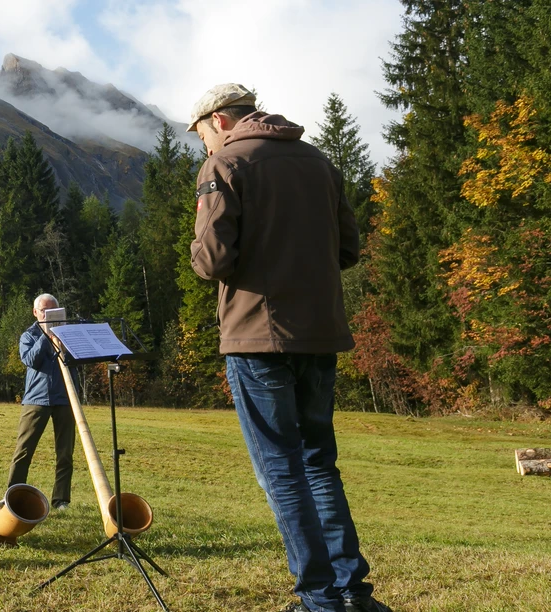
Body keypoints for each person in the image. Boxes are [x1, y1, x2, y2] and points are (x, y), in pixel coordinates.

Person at [187, 83, 389, 612]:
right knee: (320, 462)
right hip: (320, 335)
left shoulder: (225, 165)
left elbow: (211, 261)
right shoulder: (319, 161)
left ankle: (319, 600)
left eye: (203, 133)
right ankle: (352, 593)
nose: (204, 144)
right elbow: (349, 247)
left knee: (282, 469)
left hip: (257, 339)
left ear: (220, 121)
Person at [6, 293, 75, 512]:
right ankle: (12, 497)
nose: (49, 315)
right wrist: (46, 336)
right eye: (45, 311)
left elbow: (77, 360)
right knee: (24, 451)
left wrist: (64, 342)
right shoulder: (29, 335)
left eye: (53, 311)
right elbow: (30, 360)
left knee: (65, 453)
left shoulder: (67, 334)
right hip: (36, 399)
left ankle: (61, 500)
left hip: (65, 399)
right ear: (36, 313)